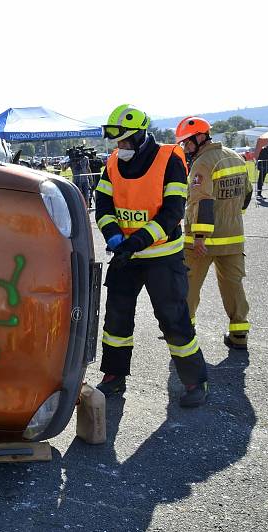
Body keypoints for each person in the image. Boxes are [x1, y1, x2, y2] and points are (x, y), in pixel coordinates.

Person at [95, 104, 209, 407]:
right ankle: (114, 377)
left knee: (174, 319)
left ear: (143, 135)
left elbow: (172, 212)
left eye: (127, 141)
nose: (122, 148)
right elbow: (103, 205)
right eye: (118, 143)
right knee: (116, 320)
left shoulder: (169, 158)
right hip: (126, 256)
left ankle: (195, 381)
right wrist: (115, 238)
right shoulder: (112, 162)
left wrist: (136, 242)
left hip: (162, 255)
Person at [175, 117, 253, 351]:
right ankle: (239, 334)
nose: (185, 148)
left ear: (200, 137)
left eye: (187, 143)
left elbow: (203, 202)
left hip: (203, 241)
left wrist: (200, 236)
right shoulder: (235, 157)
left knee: (188, 285)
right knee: (234, 286)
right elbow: (247, 195)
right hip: (233, 237)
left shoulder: (203, 163)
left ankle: (184, 333)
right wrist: (232, 217)